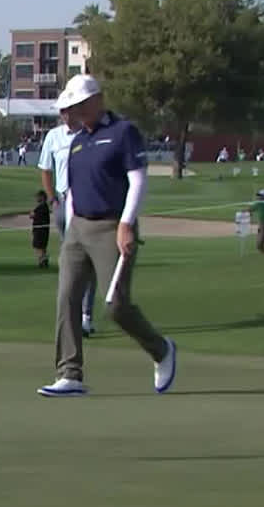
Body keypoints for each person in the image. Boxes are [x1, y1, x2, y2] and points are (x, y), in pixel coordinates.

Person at [40, 74, 177, 398]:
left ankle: (161, 350)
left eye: (76, 107)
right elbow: (72, 192)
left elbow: (138, 181)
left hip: (111, 227)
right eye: (69, 108)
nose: (71, 114)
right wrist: (69, 230)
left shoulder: (122, 133)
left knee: (116, 305)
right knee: (67, 298)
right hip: (78, 228)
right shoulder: (76, 142)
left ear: (95, 101)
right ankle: (69, 373)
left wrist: (127, 225)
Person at [38, 108, 96, 335]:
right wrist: (52, 198)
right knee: (70, 262)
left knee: (88, 261)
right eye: (61, 112)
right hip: (63, 202)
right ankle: (70, 314)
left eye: (67, 111)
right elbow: (45, 169)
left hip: (86, 200)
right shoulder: (54, 136)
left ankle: (85, 316)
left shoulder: (90, 134)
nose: (64, 115)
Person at [31, 190, 51, 268]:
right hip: (43, 230)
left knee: (38, 246)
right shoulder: (44, 207)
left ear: (42, 197)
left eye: (37, 196)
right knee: (42, 246)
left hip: (40, 230)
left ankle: (42, 260)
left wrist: (32, 214)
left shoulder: (41, 207)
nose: (36, 198)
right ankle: (43, 259)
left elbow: (32, 215)